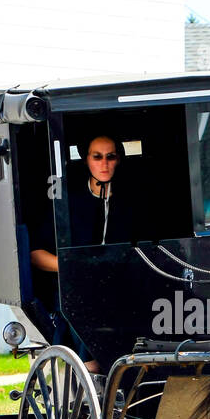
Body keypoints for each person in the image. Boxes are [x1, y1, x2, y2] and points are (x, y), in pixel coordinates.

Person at [28, 134, 133, 371]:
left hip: (120, 286)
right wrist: (73, 267)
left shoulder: (129, 203)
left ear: (119, 160)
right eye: (97, 157)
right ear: (86, 160)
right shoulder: (68, 203)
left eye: (110, 157)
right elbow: (35, 253)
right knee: (84, 302)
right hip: (73, 286)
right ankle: (93, 369)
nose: (104, 164)